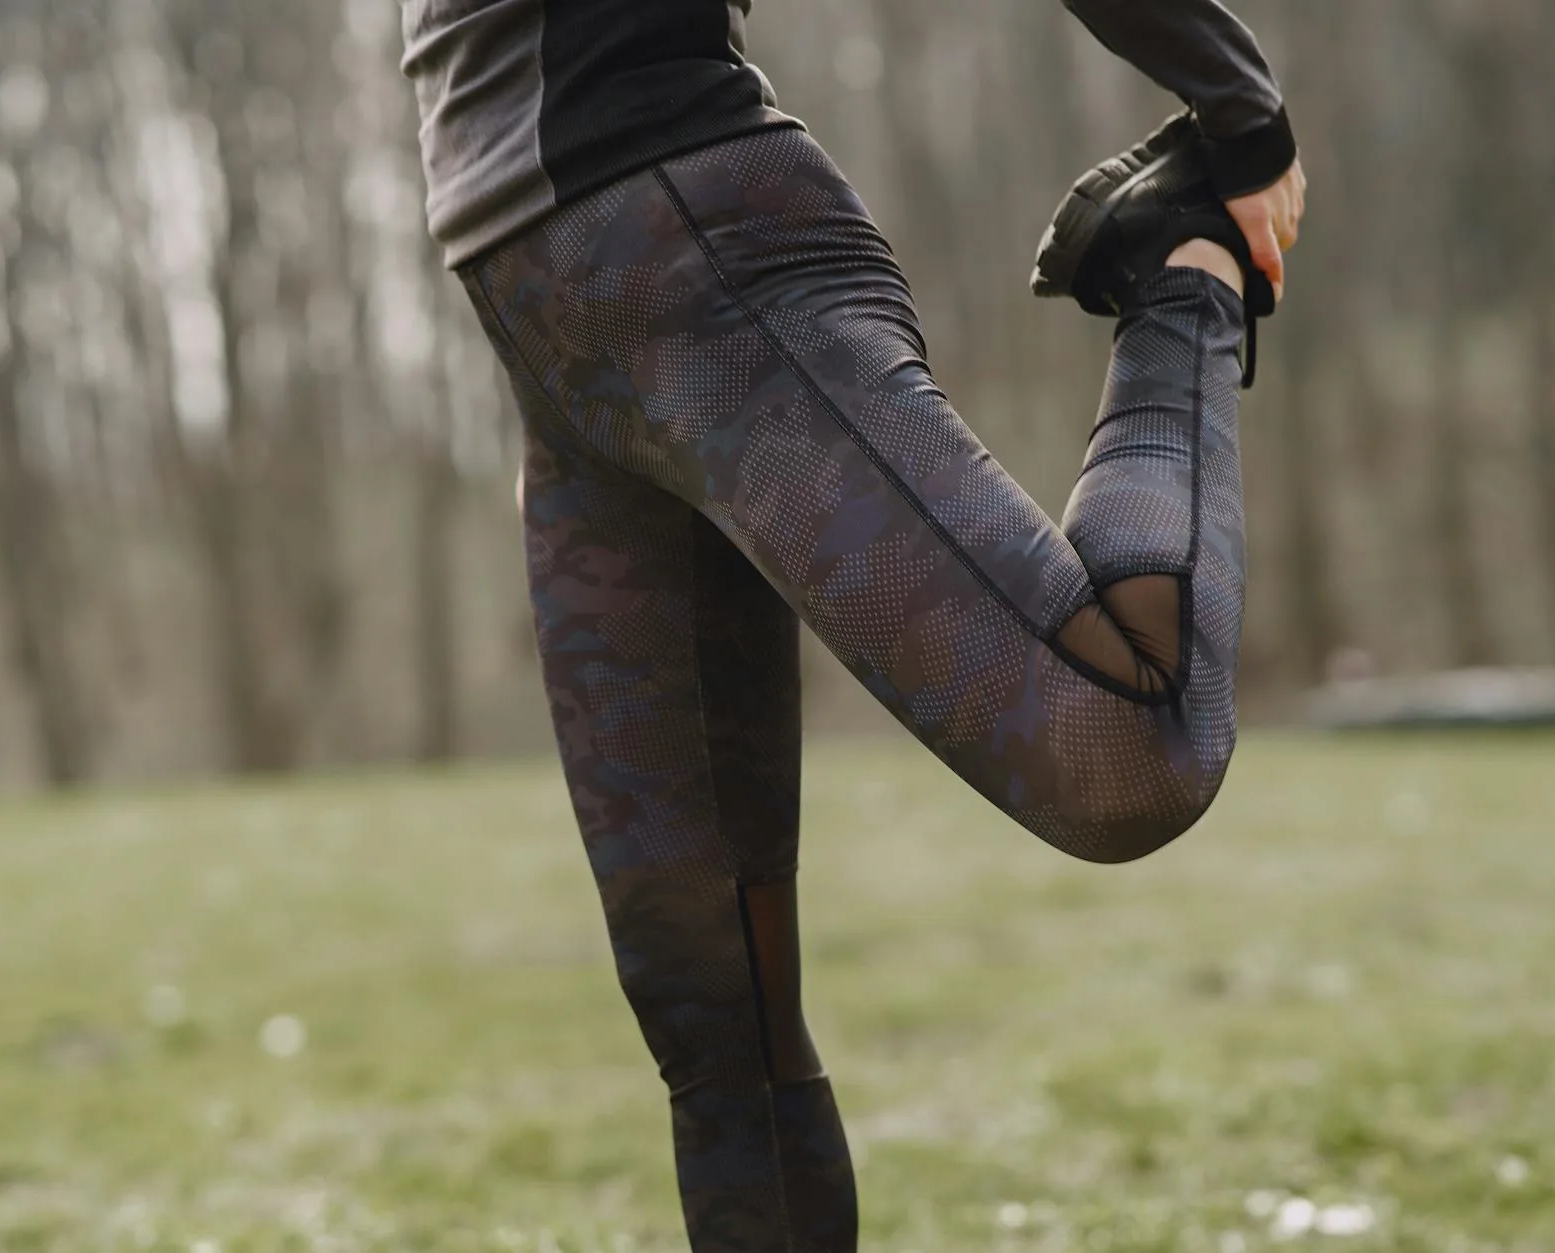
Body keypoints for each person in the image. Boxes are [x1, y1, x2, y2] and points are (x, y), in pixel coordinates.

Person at [399, 2, 1306, 1248]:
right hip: (555, 345)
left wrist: (1241, 116)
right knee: (711, 1012)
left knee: (1129, 751)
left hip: (702, 258)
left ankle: (1180, 270)